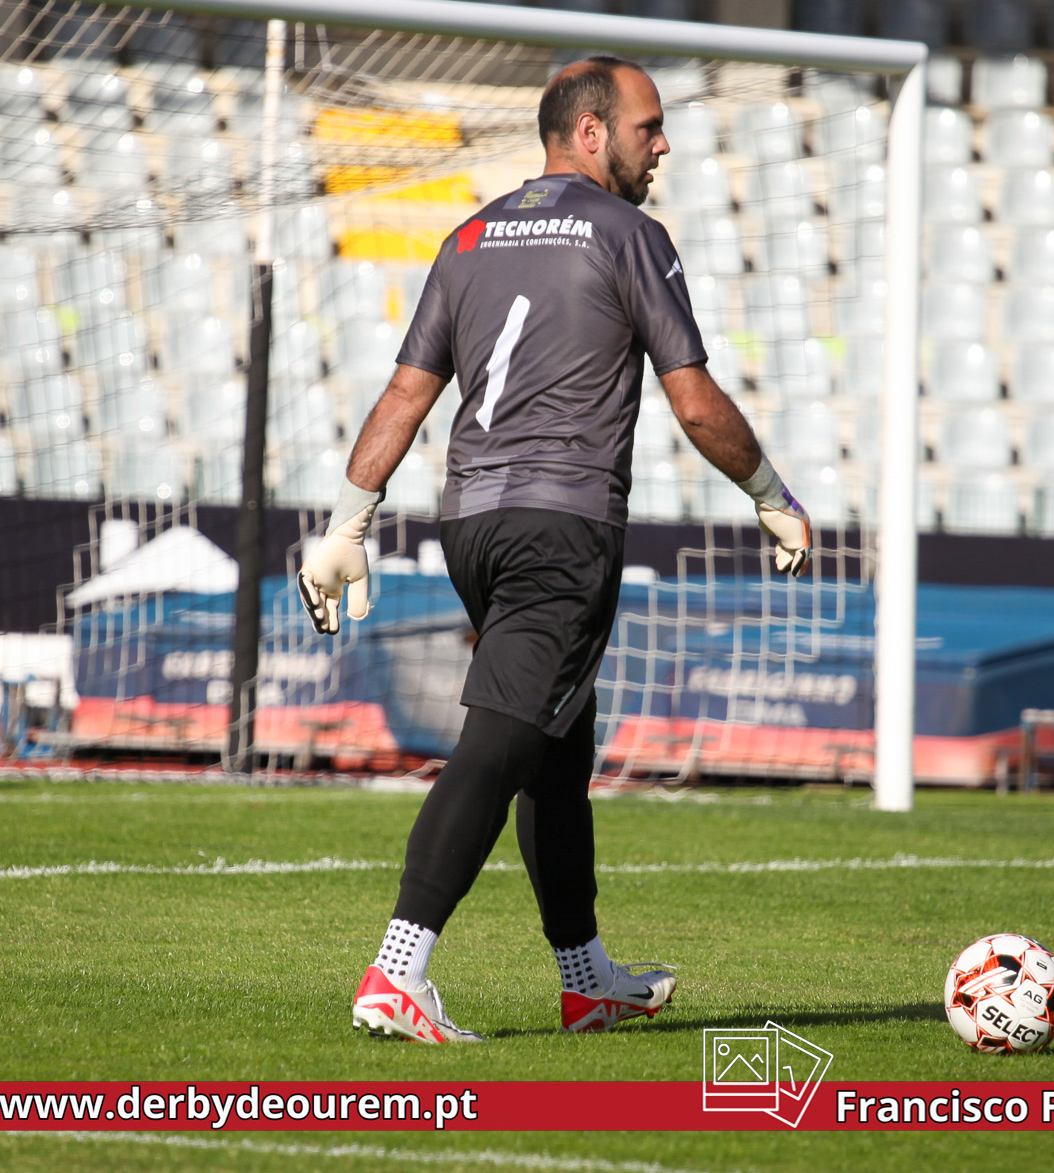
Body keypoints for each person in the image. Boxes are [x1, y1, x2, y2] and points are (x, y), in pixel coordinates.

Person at [298, 56, 813, 1044]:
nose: (661, 144)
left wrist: (348, 520)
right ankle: (396, 970)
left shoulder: (468, 234)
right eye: (647, 126)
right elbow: (693, 398)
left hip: (471, 524)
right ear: (589, 131)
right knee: (501, 740)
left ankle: (587, 979)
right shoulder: (629, 234)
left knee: (555, 747)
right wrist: (769, 495)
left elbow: (407, 391)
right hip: (563, 526)